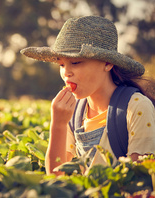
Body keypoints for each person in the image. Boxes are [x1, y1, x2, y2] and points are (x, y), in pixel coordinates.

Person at [20, 15, 155, 175]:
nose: (66, 73)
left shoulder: (137, 107)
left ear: (107, 63)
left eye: (76, 62)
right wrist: (58, 124)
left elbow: (139, 182)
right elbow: (57, 177)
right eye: (61, 64)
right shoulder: (73, 113)